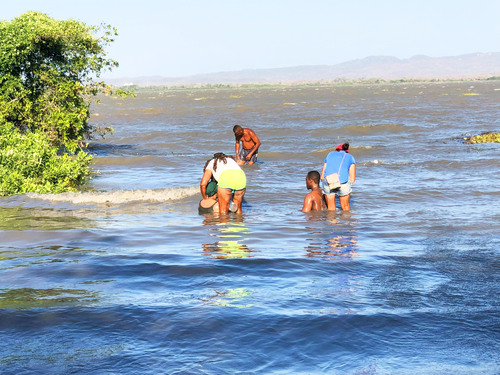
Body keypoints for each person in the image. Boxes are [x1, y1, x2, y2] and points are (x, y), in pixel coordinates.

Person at [320, 143, 356, 211]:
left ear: (336, 150)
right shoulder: (350, 157)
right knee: (345, 208)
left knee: (331, 209)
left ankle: (332, 220)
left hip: (328, 180)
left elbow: (322, 175)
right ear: (346, 151)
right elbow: (352, 179)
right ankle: (345, 220)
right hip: (342, 182)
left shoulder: (330, 154)